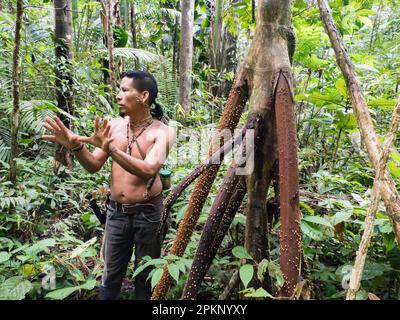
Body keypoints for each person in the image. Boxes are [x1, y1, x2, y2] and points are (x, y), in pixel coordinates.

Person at [42, 70, 176, 300]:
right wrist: (75, 146)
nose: (117, 96)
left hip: (148, 214)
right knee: (110, 278)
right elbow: (93, 164)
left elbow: (149, 169)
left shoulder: (163, 132)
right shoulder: (113, 126)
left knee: (145, 277)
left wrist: (111, 149)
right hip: (116, 213)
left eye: (124, 90)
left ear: (144, 96)